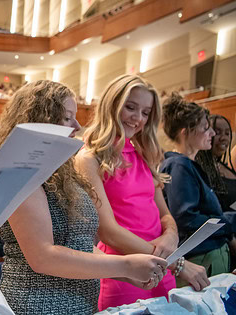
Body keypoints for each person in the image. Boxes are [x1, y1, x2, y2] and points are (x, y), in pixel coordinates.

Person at [0, 80, 167, 314]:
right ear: (41, 119)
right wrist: (125, 264)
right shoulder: (19, 170)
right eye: (66, 117)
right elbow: (43, 256)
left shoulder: (63, 171)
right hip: (38, 305)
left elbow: (79, 245)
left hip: (79, 304)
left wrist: (123, 273)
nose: (77, 125)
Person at [75, 75, 208, 311]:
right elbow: (109, 232)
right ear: (112, 105)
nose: (138, 119)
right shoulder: (90, 158)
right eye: (131, 107)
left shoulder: (143, 153)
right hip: (126, 273)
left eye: (146, 112)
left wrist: (171, 236)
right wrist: (175, 263)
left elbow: (165, 214)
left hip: (161, 270)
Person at [160, 94, 235, 285]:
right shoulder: (179, 165)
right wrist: (228, 221)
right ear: (186, 132)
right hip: (202, 258)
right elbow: (187, 218)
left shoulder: (188, 165)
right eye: (205, 128)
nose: (211, 133)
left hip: (210, 254)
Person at [195, 115, 236, 212]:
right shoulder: (198, 170)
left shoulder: (226, 168)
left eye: (227, 133)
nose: (224, 138)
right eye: (217, 133)